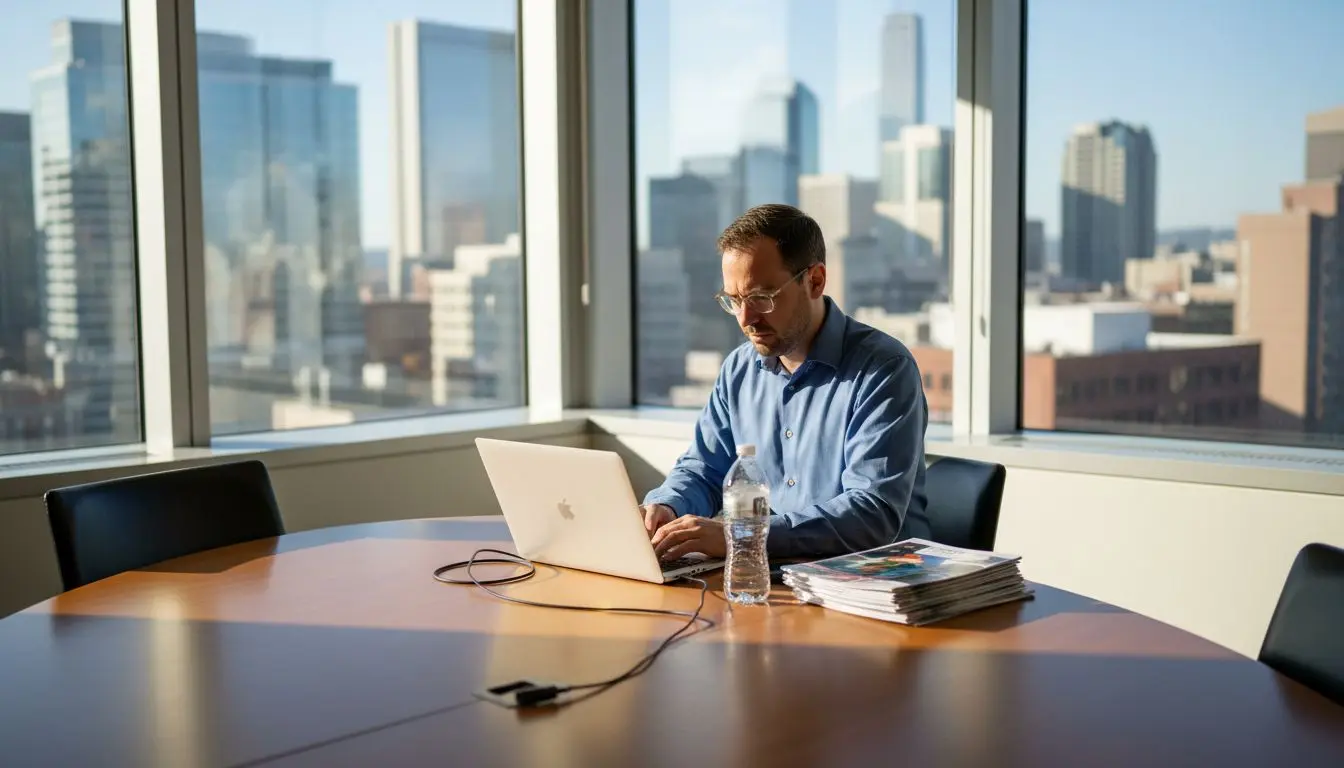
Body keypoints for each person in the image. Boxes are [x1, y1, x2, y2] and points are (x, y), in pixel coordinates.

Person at [643, 203, 930, 562]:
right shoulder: (739, 370)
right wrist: (667, 506)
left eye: (761, 298)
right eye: (733, 300)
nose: (745, 318)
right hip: (771, 579)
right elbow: (705, 468)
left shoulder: (883, 370)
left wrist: (744, 536)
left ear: (815, 280)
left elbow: (870, 514)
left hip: (873, 582)